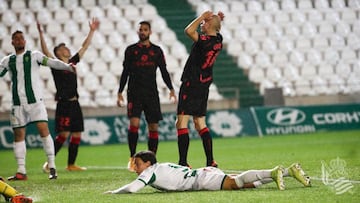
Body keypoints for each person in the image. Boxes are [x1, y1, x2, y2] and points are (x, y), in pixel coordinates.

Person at [0, 30, 76, 180]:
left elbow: (52, 62)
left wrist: (67, 66)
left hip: (35, 102)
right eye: (16, 39)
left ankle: (52, 167)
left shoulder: (34, 56)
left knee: (43, 130)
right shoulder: (7, 61)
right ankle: (21, 171)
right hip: (17, 104)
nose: (19, 40)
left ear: (25, 41)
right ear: (12, 42)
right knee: (19, 135)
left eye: (21, 38)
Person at [37, 18, 100, 172]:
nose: (67, 49)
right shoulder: (56, 65)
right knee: (64, 134)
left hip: (75, 103)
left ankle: (71, 164)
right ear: (58, 53)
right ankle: (48, 163)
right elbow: (46, 52)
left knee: (77, 133)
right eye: (63, 48)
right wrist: (41, 34)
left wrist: (92, 31)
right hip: (64, 103)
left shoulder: (72, 63)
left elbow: (84, 46)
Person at [117, 21, 177, 172]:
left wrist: (171, 88)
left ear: (150, 32)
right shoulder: (130, 50)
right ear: (137, 32)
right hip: (134, 93)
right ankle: (132, 158)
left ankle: (152, 160)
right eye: (140, 30)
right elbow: (125, 72)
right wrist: (120, 91)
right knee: (134, 124)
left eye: (145, 30)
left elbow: (163, 70)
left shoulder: (157, 51)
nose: (142, 32)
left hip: (151, 93)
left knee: (153, 126)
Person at [104, 151, 311, 194]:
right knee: (241, 185)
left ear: (147, 163)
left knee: (235, 183)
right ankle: (289, 173)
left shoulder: (148, 172)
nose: (136, 167)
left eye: (138, 163)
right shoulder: (160, 166)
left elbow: (132, 189)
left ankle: (274, 171)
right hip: (202, 173)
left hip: (201, 179)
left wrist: (114, 193)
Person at [176, 11, 225, 168]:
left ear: (209, 25)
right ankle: (211, 160)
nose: (202, 24)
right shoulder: (219, 40)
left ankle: (183, 162)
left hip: (192, 83)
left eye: (204, 23)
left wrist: (202, 17)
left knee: (182, 122)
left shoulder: (204, 41)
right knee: (200, 122)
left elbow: (188, 31)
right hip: (204, 85)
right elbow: (216, 31)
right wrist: (216, 20)